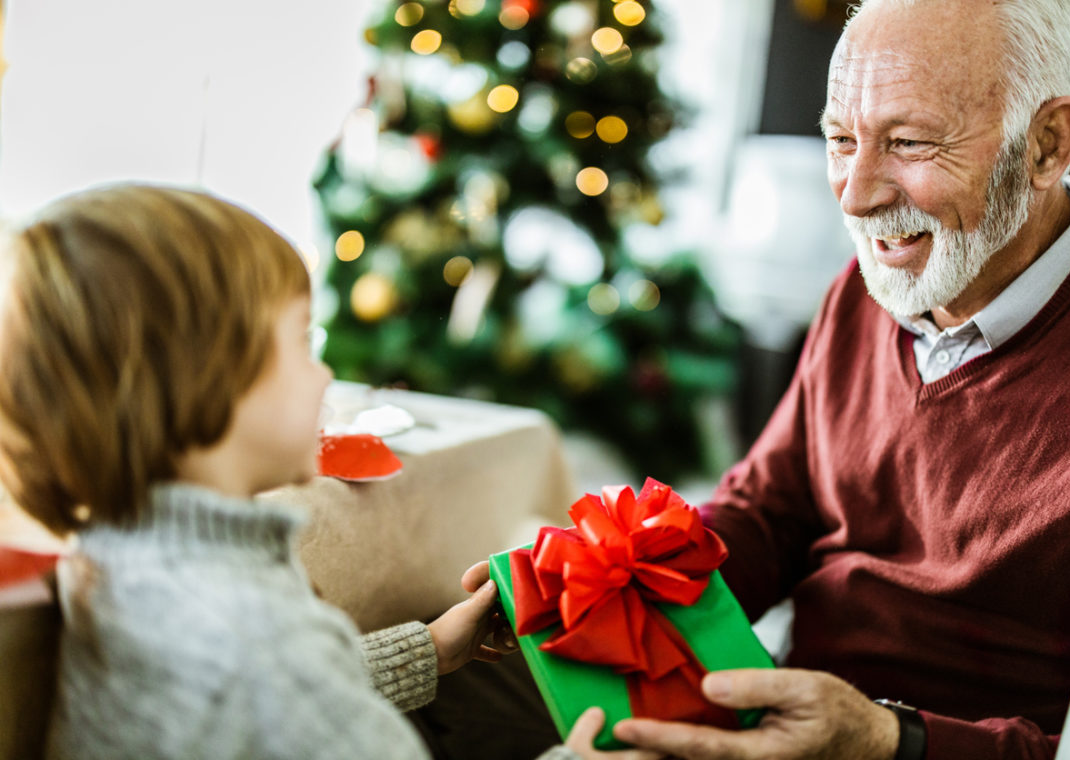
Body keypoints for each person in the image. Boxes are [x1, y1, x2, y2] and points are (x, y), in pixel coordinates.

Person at [591, 0, 1070, 758]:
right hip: (787, 719)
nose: (854, 194)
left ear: (1048, 145)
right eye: (841, 140)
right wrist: (625, 585)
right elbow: (768, 512)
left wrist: (891, 742)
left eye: (909, 143)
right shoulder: (870, 286)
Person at [0, 184, 656, 760]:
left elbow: (268, 711)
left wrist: (430, 649)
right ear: (206, 382)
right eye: (300, 339)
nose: (325, 375)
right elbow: (274, 681)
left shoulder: (120, 548)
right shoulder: (257, 638)